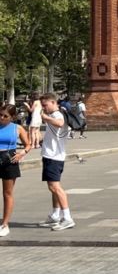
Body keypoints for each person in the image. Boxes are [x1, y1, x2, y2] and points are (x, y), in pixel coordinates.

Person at [38, 93, 74, 231]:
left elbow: (60, 124)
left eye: (45, 105)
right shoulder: (55, 114)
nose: (44, 108)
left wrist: (45, 117)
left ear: (53, 102)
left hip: (54, 156)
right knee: (52, 187)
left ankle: (67, 218)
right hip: (52, 155)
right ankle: (55, 215)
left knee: (55, 187)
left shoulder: (57, 115)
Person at [0, 104, 32, 237]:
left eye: (5, 116)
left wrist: (22, 153)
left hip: (9, 161)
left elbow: (28, 144)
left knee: (7, 193)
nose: (1, 118)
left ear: (12, 117)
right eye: (0, 115)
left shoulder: (17, 128)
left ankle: (5, 224)